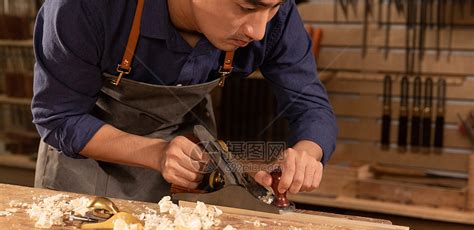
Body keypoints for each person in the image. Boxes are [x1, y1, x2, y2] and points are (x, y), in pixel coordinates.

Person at [31, 0, 337, 202]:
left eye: (271, 8)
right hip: (82, 175)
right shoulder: (84, 7)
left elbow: (310, 106)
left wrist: (306, 154)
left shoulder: (272, 14)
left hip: (187, 174)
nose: (258, 32)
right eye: (244, 7)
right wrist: (158, 153)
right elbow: (60, 118)